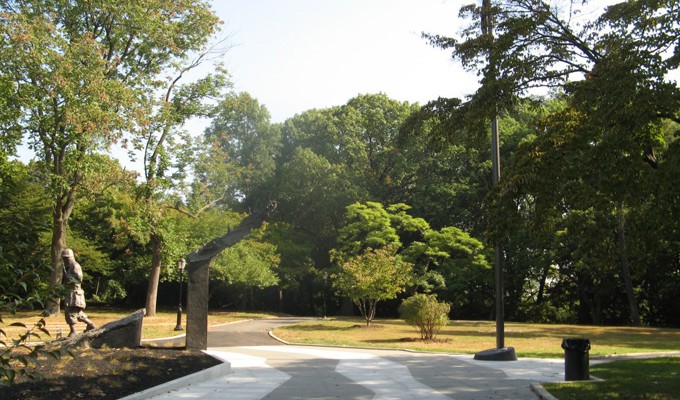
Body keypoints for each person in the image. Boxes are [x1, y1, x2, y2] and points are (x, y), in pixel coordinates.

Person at [62, 248, 96, 336]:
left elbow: (79, 279)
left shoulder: (75, 265)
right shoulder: (69, 267)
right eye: (64, 259)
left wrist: (70, 278)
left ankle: (73, 331)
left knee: (69, 311)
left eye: (66, 258)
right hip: (71, 292)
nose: (65, 260)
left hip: (74, 293)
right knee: (77, 312)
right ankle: (90, 324)